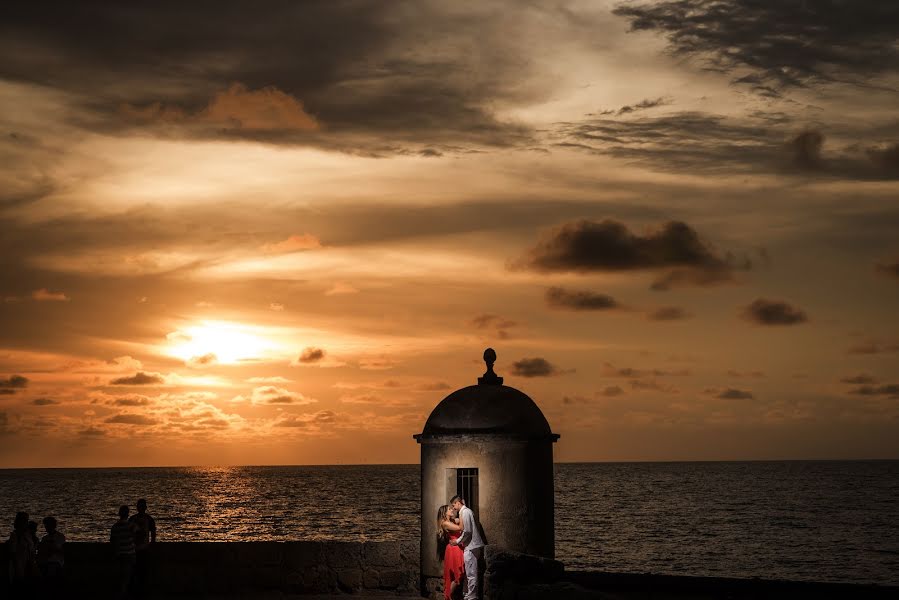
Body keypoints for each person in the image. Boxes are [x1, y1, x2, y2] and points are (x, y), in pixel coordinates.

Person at [449, 496, 485, 600]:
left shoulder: (464, 512)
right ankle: (467, 594)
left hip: (471, 546)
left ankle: (472, 596)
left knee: (471, 573)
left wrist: (457, 541)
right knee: (469, 572)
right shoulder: (467, 512)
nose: (453, 508)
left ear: (458, 503)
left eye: (453, 505)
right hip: (472, 546)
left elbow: (467, 531)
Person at [128, 499, 156, 597]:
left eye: (141, 506)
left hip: (141, 550)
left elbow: (153, 535)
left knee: (140, 573)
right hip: (136, 550)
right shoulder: (148, 519)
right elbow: (153, 535)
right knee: (137, 573)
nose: (140, 508)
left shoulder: (133, 519)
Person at [437, 505, 464, 600]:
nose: (452, 510)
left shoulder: (451, 521)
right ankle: (449, 597)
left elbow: (462, 520)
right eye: (449, 509)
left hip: (457, 548)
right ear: (445, 513)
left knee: (458, 574)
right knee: (457, 574)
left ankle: (451, 596)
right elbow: (460, 527)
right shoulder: (445, 523)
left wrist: (462, 509)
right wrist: (461, 511)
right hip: (453, 550)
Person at [7, 511, 36, 597]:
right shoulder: (15, 536)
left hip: (27, 565)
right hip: (19, 567)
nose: (27, 523)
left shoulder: (28, 535)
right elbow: (13, 553)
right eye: (25, 521)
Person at [110, 505, 137, 599]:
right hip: (129, 554)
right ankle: (124, 595)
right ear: (128, 514)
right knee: (128, 577)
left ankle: (121, 593)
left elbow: (112, 541)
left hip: (119, 554)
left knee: (121, 576)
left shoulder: (114, 526)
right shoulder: (131, 525)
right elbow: (140, 533)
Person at [37, 516, 66, 593]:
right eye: (45, 525)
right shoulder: (44, 538)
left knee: (50, 569)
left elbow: (58, 549)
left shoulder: (60, 536)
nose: (46, 527)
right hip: (46, 561)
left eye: (47, 525)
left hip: (56, 562)